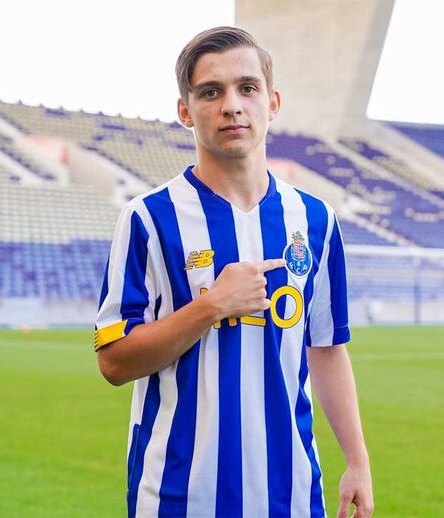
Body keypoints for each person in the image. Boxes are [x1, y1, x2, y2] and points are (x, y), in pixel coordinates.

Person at [94, 26, 373, 518]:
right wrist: (211, 306)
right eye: (210, 92)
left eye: (247, 88)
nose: (231, 106)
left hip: (290, 491)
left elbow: (327, 347)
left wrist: (357, 460)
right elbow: (114, 362)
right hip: (179, 494)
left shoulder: (315, 220)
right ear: (185, 110)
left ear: (272, 102)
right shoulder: (148, 218)